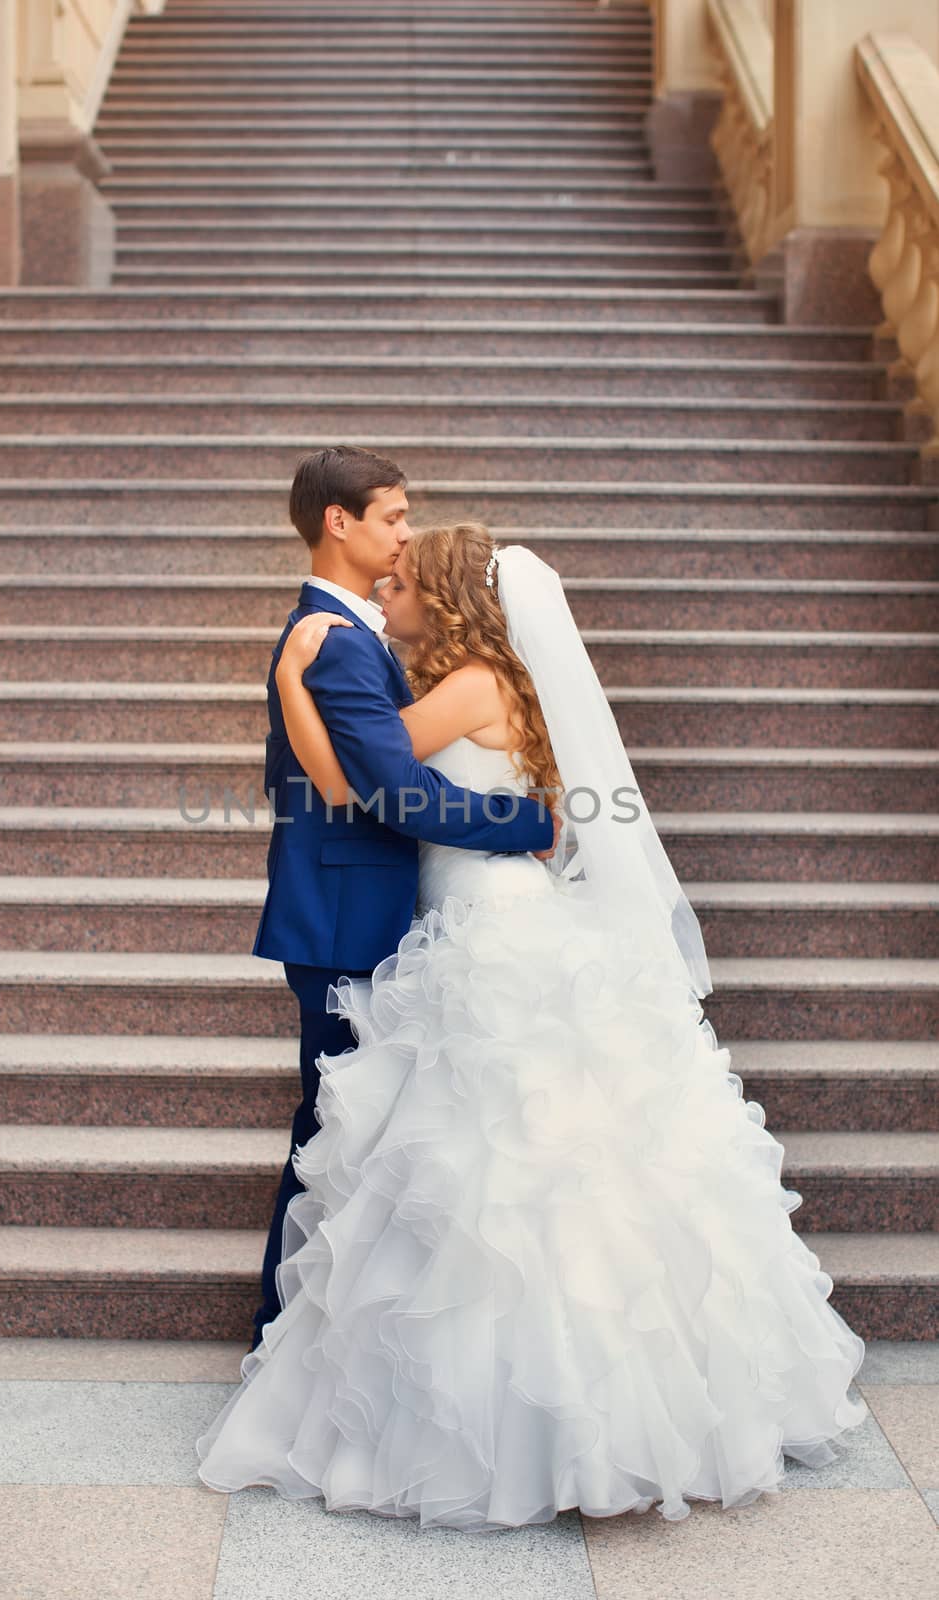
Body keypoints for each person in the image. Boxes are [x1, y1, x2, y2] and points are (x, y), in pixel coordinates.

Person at [196, 521, 868, 1530]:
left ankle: (517, 1426)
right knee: (535, 1167)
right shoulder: (508, 684)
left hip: (481, 925)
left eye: (407, 583)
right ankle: (595, 1418)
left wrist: (291, 679)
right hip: (500, 910)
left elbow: (354, 780)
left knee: (494, 1174)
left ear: (452, 596)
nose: (391, 594)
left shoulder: (467, 684)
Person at [246, 450, 558, 1353]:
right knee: (334, 1129)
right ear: (338, 523)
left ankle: (318, 1335)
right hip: (348, 916)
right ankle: (284, 1337)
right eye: (391, 516)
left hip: (380, 909)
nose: (404, 534)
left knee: (357, 1131)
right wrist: (522, 824)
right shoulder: (334, 640)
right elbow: (386, 794)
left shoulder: (357, 638)